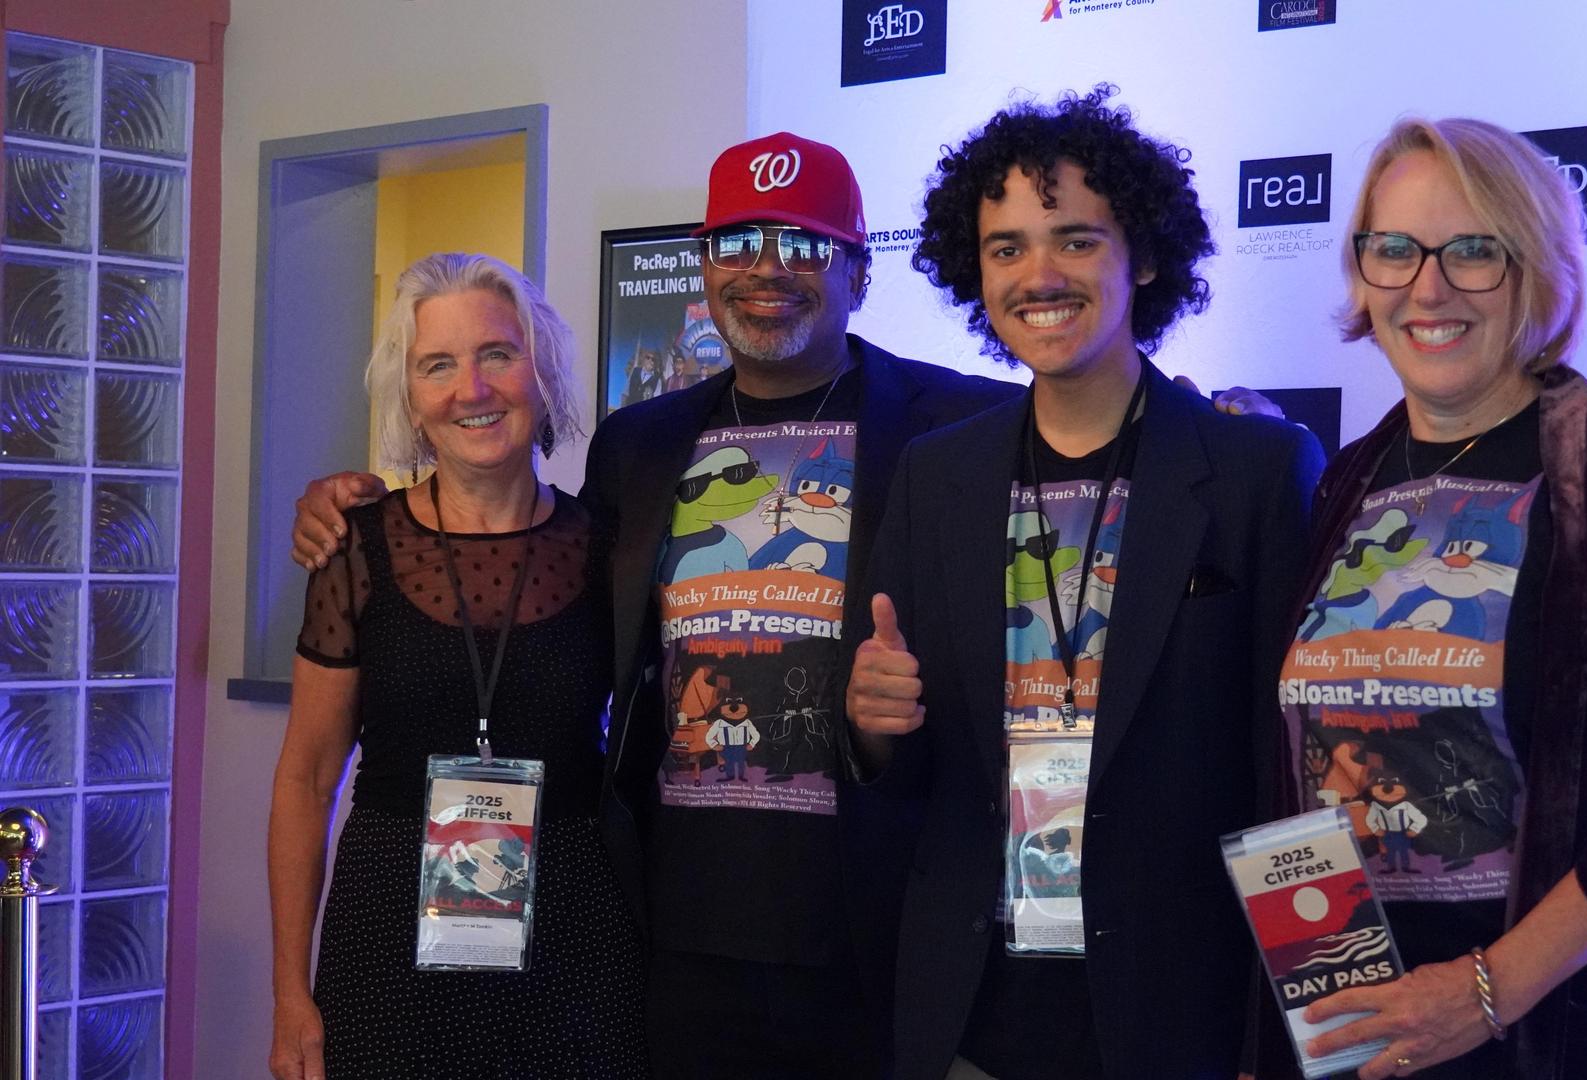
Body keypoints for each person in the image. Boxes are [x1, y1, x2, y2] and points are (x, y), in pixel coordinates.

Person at [293, 133, 1016, 1078]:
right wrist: (345, 502)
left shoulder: (966, 425)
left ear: (858, 271)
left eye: (802, 246)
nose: (767, 271)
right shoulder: (640, 446)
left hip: (874, 928)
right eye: (737, 244)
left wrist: (1243, 428)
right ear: (705, 268)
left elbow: (1105, 443)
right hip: (670, 935)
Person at [844, 86, 1324, 1080]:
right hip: (974, 1012)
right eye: (1007, 247)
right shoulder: (937, 477)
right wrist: (872, 732)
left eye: (1075, 238)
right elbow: (903, 764)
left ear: (1142, 256)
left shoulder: (1256, 473)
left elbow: (1296, 773)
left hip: (1176, 1007)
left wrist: (1277, 1028)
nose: (1039, 274)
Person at [1276, 118, 1587, 1079]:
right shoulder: (1348, 484)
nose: (1429, 286)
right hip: (1382, 1032)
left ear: (1536, 268)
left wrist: (1484, 990)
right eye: (1395, 250)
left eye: (1473, 250)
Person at [266, 253, 646, 1079]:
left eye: (497, 355)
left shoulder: (610, 551)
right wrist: (290, 995)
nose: (472, 389)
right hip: (387, 940)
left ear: (540, 372)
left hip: (574, 943)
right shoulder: (354, 550)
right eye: (438, 364)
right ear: (409, 396)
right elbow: (304, 780)